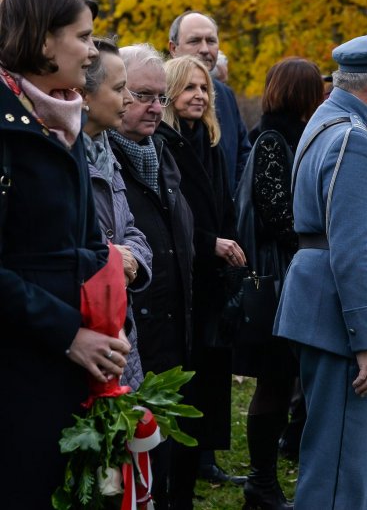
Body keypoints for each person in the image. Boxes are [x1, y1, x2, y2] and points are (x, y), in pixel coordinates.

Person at [272, 33, 367, 509]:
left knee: (334, 462)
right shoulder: (352, 139)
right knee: (343, 473)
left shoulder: (330, 124)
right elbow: (354, 251)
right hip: (345, 326)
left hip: (328, 313)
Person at [0, 0, 131, 509]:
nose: (92, 51)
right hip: (15, 371)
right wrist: (67, 334)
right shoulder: (12, 124)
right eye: (83, 36)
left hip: (67, 367)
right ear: (43, 38)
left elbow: (86, 243)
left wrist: (106, 326)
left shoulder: (63, 118)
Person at [233, 57, 324, 510]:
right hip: (279, 277)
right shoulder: (273, 140)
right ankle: (261, 483)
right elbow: (275, 213)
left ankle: (264, 482)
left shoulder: (291, 138)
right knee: (274, 380)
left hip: (291, 272)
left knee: (282, 378)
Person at [110, 43, 197, 509]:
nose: (155, 107)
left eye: (161, 97)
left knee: (169, 458)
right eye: (143, 95)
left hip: (173, 331)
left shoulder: (162, 152)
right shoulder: (104, 159)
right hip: (134, 337)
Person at [161, 54, 248, 497]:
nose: (199, 95)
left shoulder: (209, 141)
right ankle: (177, 474)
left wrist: (226, 240)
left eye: (204, 88)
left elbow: (223, 202)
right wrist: (208, 242)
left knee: (209, 380)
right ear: (171, 91)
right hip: (183, 274)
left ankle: (198, 465)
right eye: (190, 87)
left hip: (213, 277)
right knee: (185, 377)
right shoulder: (163, 141)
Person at [82, 38, 152, 392]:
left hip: (118, 331)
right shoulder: (65, 156)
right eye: (120, 88)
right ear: (85, 95)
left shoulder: (105, 151)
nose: (129, 100)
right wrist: (112, 260)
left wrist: (133, 261)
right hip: (82, 337)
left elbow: (132, 230)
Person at [169, 11, 250, 197]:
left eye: (211, 41)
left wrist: (233, 200)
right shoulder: (158, 97)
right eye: (195, 41)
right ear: (173, 48)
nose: (205, 49)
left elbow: (243, 154)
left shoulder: (226, 95)